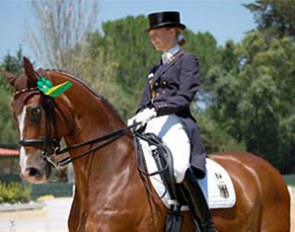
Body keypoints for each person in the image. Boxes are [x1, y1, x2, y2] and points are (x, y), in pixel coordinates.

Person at [128, 11, 216, 231]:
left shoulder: (187, 60)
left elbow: (184, 97)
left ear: (172, 31)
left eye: (156, 34)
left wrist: (156, 109)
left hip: (176, 122)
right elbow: (145, 100)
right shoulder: (155, 69)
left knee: (177, 168)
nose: (152, 39)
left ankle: (205, 225)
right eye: (151, 35)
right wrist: (139, 114)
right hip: (151, 124)